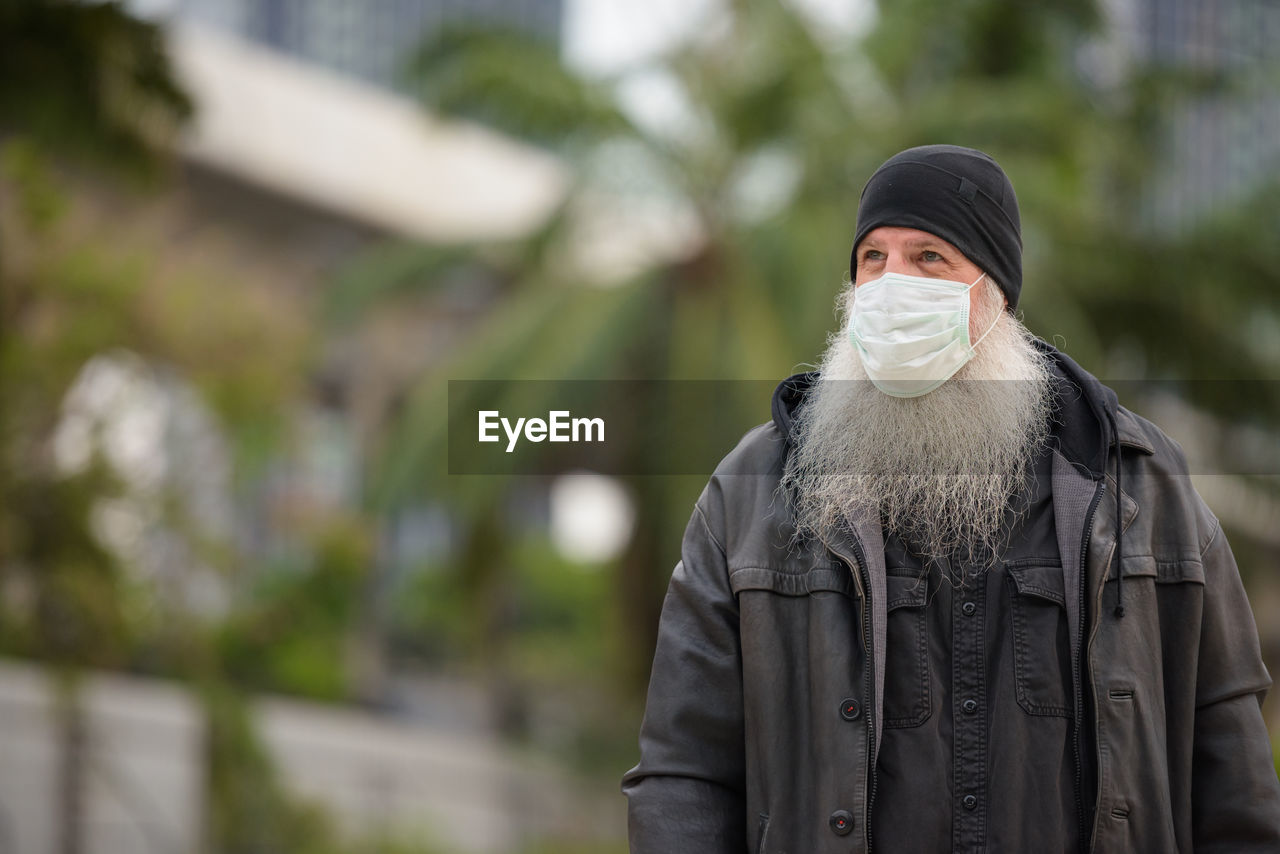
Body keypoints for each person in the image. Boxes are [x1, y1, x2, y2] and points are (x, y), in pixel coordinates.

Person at [620, 144, 1280, 853]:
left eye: (929, 257)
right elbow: (682, 776)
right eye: (873, 259)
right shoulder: (753, 492)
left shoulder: (1142, 489)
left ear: (996, 295)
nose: (890, 285)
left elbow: (1231, 776)